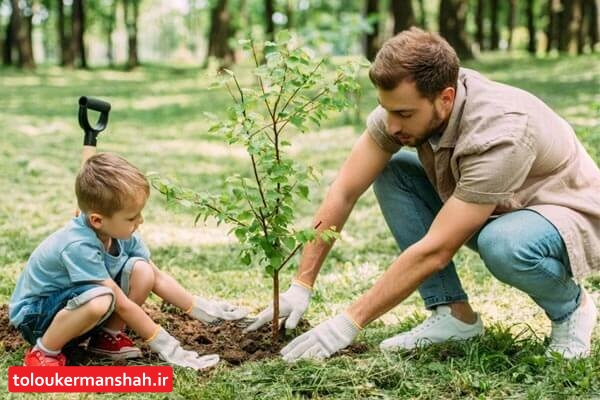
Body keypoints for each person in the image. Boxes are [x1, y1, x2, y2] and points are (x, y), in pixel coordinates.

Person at [246, 27, 599, 361]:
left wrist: (348, 322)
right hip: (495, 206)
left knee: (502, 243)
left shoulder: (501, 131)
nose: (392, 124)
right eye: (387, 109)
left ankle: (571, 309)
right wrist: (301, 284)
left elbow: (437, 251)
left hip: (563, 214)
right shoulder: (407, 108)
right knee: (392, 170)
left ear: (446, 97)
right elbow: (344, 190)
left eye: (403, 113)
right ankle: (453, 316)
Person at [9, 152, 248, 368]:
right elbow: (120, 302)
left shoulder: (119, 233)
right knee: (103, 298)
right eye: (132, 217)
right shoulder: (78, 245)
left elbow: (157, 277)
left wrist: (200, 308)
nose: (140, 221)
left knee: (142, 271)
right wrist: (167, 346)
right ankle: (44, 352)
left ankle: (106, 338)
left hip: (73, 308)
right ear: (97, 220)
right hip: (37, 317)